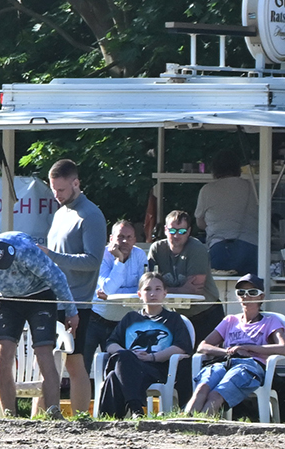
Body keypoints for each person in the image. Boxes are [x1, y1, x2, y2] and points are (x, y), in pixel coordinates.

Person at [0, 232, 76, 418]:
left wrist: (71, 311)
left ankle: (53, 411)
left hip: (40, 295)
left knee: (44, 352)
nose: (9, 261)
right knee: (2, 356)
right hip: (6, 299)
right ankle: (9, 415)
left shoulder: (23, 250)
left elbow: (56, 277)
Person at [42, 159, 107, 416]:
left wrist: (52, 256)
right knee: (46, 361)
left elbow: (93, 261)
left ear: (76, 183)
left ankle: (80, 419)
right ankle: (42, 414)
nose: (56, 195)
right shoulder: (60, 213)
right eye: (53, 189)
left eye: (61, 189)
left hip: (76, 301)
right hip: (51, 298)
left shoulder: (91, 215)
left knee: (75, 362)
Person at [96, 270, 193, 418]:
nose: (153, 293)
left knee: (113, 376)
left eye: (158, 289)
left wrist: (152, 357)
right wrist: (128, 355)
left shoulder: (173, 319)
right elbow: (110, 344)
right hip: (128, 365)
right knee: (122, 361)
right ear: (140, 294)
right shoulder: (130, 318)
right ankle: (135, 409)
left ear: (165, 293)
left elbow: (181, 347)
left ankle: (110, 418)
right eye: (147, 289)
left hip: (157, 369)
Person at [187, 274, 285, 417]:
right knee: (202, 388)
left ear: (261, 297)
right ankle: (183, 423)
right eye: (241, 292)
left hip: (251, 366)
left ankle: (200, 423)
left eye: (252, 292)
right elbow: (202, 346)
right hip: (225, 362)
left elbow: (283, 348)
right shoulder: (230, 320)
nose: (246, 296)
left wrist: (248, 348)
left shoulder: (270, 321)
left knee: (216, 394)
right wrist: (228, 352)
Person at [83, 219, 146, 371]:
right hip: (95, 319)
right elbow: (108, 288)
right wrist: (119, 260)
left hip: (122, 324)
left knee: (117, 371)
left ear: (135, 240)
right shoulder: (102, 255)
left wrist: (115, 293)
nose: (124, 241)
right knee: (82, 367)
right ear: (111, 238)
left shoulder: (140, 255)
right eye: (120, 237)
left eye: (129, 237)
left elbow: (143, 290)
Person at [196, 150, 260, 276]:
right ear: (238, 168)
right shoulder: (252, 187)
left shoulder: (207, 190)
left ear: (214, 169)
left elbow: (200, 223)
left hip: (219, 246)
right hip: (250, 245)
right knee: (250, 286)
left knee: (219, 285)